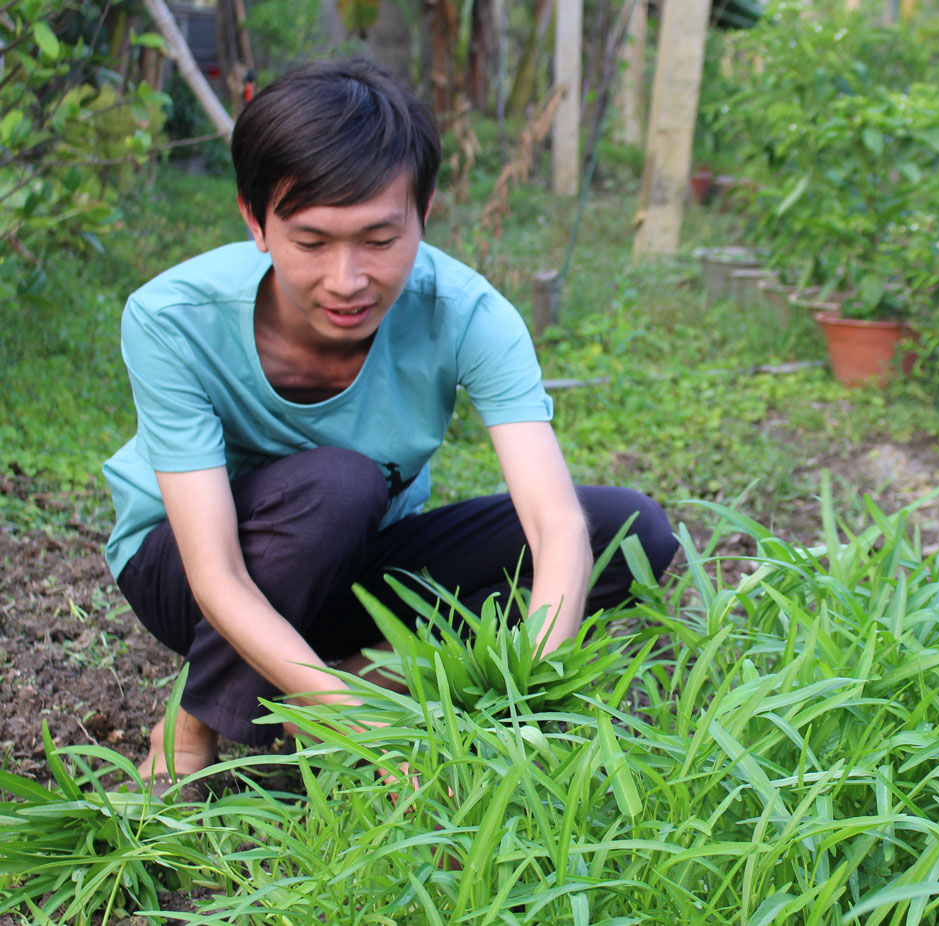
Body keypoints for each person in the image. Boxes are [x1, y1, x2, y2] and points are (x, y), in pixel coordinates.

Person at [101, 59, 678, 789]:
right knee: (338, 484)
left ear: (424, 210)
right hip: (185, 576)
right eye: (312, 243)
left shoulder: (468, 313)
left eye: (379, 239)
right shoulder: (172, 319)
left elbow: (556, 526)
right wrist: (363, 729)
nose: (347, 280)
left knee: (629, 531)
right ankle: (193, 722)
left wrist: (536, 678)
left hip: (353, 569)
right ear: (255, 220)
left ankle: (351, 678)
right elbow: (214, 570)